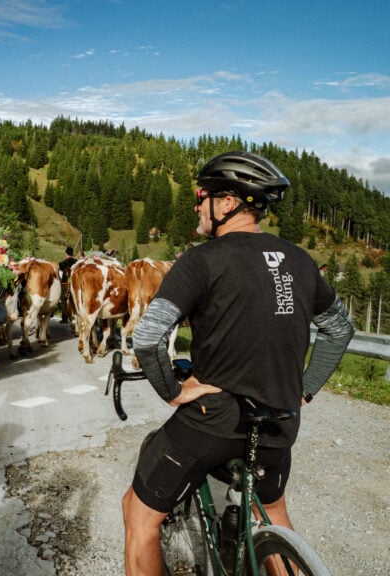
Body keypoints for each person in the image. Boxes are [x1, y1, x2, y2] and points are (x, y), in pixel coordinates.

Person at [124, 151, 354, 575]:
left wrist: (174, 391)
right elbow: (340, 328)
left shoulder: (202, 259)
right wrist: (305, 387)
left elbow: (149, 335)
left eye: (201, 196)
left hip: (215, 420)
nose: (196, 206)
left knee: (139, 516)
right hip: (281, 417)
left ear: (226, 203)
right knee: (271, 512)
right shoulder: (300, 260)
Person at [58, 246, 78, 323]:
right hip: (74, 284)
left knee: (63, 300)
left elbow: (59, 271)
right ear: (72, 253)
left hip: (64, 283)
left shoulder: (62, 263)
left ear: (66, 253)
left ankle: (65, 318)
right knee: (74, 300)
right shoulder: (77, 262)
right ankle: (76, 317)